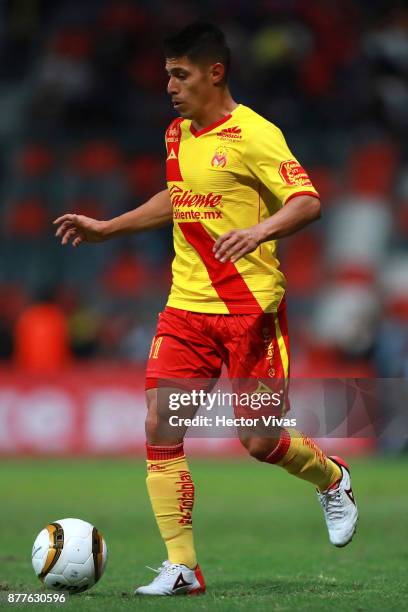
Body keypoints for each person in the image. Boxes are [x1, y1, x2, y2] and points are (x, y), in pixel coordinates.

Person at [54, 23, 358, 597]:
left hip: (251, 312)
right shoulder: (177, 134)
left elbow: (308, 200)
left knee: (260, 443)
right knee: (160, 424)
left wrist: (259, 230)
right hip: (185, 309)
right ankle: (183, 567)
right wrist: (108, 229)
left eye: (180, 74)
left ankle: (333, 478)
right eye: (167, 74)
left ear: (214, 72)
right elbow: (177, 196)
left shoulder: (255, 134)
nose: (169, 86)